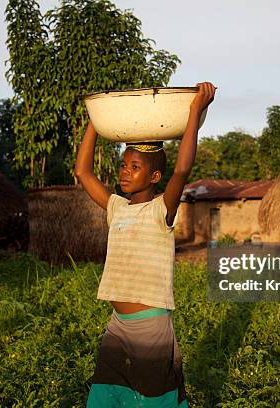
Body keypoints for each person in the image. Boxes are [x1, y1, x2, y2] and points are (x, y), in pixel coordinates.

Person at [74, 82, 216, 407]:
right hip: (117, 326)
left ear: (154, 177)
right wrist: (98, 117)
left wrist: (194, 111)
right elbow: (82, 171)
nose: (124, 172)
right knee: (103, 399)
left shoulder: (161, 210)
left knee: (153, 401)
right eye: (124, 165)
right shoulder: (116, 206)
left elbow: (182, 168)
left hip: (151, 327)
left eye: (134, 167)